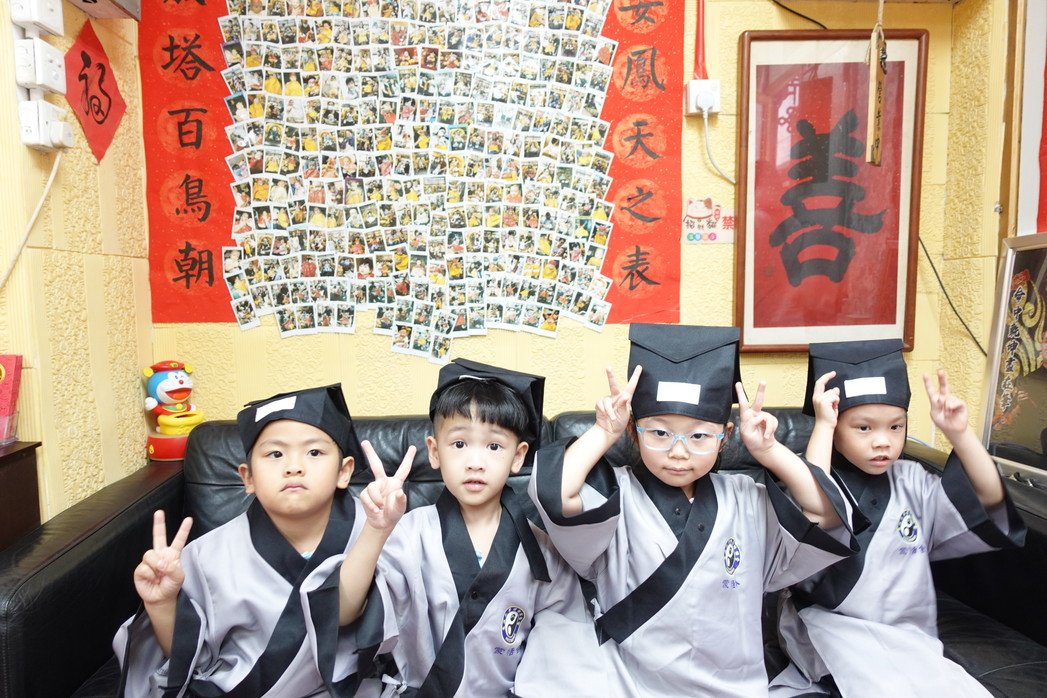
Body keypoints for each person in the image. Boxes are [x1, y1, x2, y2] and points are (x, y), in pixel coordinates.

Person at [529, 324, 858, 696]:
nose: (678, 452)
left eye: (699, 436)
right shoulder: (616, 493)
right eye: (659, 433)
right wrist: (604, 432)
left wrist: (769, 452)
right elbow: (556, 495)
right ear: (634, 433)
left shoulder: (747, 498)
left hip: (733, 683)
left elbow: (826, 515)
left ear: (725, 437)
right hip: (632, 684)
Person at [771, 339, 1026, 697]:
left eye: (895, 427)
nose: (883, 442)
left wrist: (959, 434)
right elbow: (817, 502)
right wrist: (823, 427)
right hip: (829, 624)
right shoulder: (805, 480)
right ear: (834, 425)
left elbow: (989, 502)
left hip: (908, 632)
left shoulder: (912, 480)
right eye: (864, 428)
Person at [113, 385, 407, 696]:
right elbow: (185, 657)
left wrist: (376, 531)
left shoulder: (377, 528)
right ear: (248, 477)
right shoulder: (206, 555)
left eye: (314, 452)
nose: (294, 467)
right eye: (275, 454)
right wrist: (161, 604)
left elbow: (391, 628)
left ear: (344, 471)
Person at [338, 359, 592, 696]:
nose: (475, 462)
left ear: (518, 457)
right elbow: (343, 613)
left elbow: (563, 639)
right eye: (459, 444)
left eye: (494, 446)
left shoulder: (541, 549)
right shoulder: (410, 533)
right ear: (434, 451)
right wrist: (376, 529)